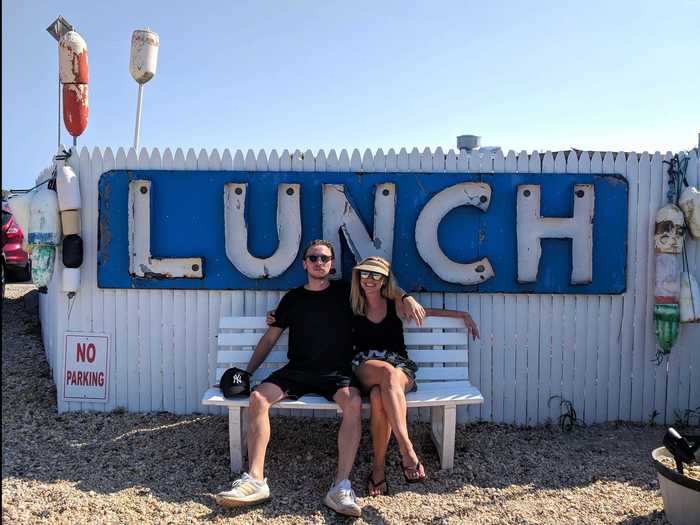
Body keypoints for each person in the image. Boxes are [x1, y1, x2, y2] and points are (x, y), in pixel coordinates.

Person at [214, 240, 425, 516]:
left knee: (352, 403)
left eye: (324, 258)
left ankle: (341, 486)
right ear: (304, 264)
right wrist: (249, 371)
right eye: (313, 258)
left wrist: (405, 296)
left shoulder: (345, 294)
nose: (319, 262)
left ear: (332, 264)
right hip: (298, 370)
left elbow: (379, 289)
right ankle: (255, 479)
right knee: (258, 397)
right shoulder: (292, 298)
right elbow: (270, 339)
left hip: (336, 372)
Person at [349, 256, 479, 497]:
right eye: (365, 274)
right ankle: (407, 450)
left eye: (376, 274)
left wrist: (462, 315)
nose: (370, 279)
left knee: (379, 395)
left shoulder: (395, 305)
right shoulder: (352, 305)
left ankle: (378, 470)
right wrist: (279, 315)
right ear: (358, 277)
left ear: (385, 279)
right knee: (385, 373)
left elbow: (427, 312)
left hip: (400, 369)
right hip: (365, 366)